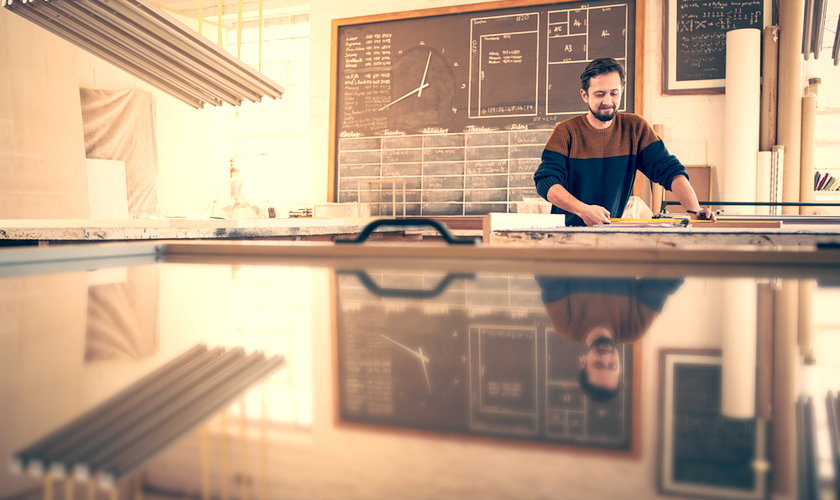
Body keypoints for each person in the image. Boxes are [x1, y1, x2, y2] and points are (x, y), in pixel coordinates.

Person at [533, 58, 716, 227]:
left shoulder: (635, 129)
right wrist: (583, 210)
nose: (608, 101)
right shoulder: (565, 132)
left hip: (609, 233)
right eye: (599, 94)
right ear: (584, 95)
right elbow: (546, 182)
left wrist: (694, 210)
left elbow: (670, 170)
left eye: (614, 93)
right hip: (566, 235)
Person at [535, 276, 683, 402]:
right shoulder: (634, 328)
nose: (606, 357)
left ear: (583, 362)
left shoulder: (564, 324)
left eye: (598, 364)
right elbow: (662, 285)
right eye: (612, 365)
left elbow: (549, 278)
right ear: (620, 366)